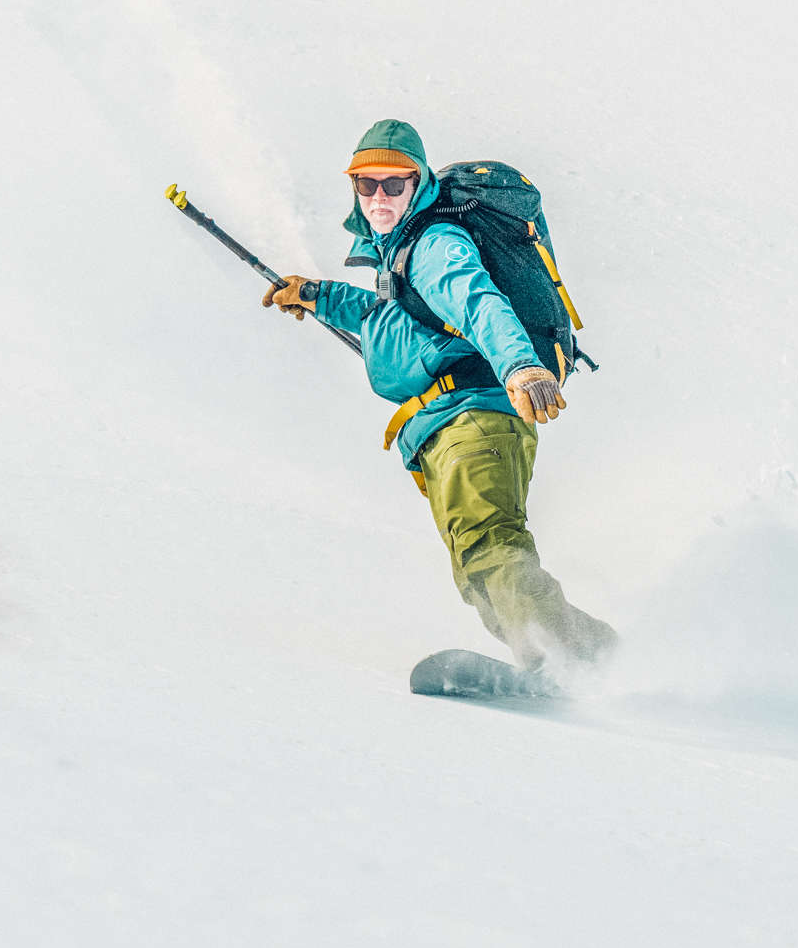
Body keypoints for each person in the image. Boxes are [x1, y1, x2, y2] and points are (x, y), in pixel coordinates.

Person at [261, 119, 617, 673]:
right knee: (479, 566)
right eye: (366, 184)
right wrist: (315, 295)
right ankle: (598, 656)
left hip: (473, 416)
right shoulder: (400, 252)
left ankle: (557, 658)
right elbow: (387, 318)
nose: (379, 197)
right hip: (451, 425)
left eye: (394, 183)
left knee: (491, 548)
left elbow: (478, 300)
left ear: (418, 181)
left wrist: (521, 365)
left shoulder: (434, 244)